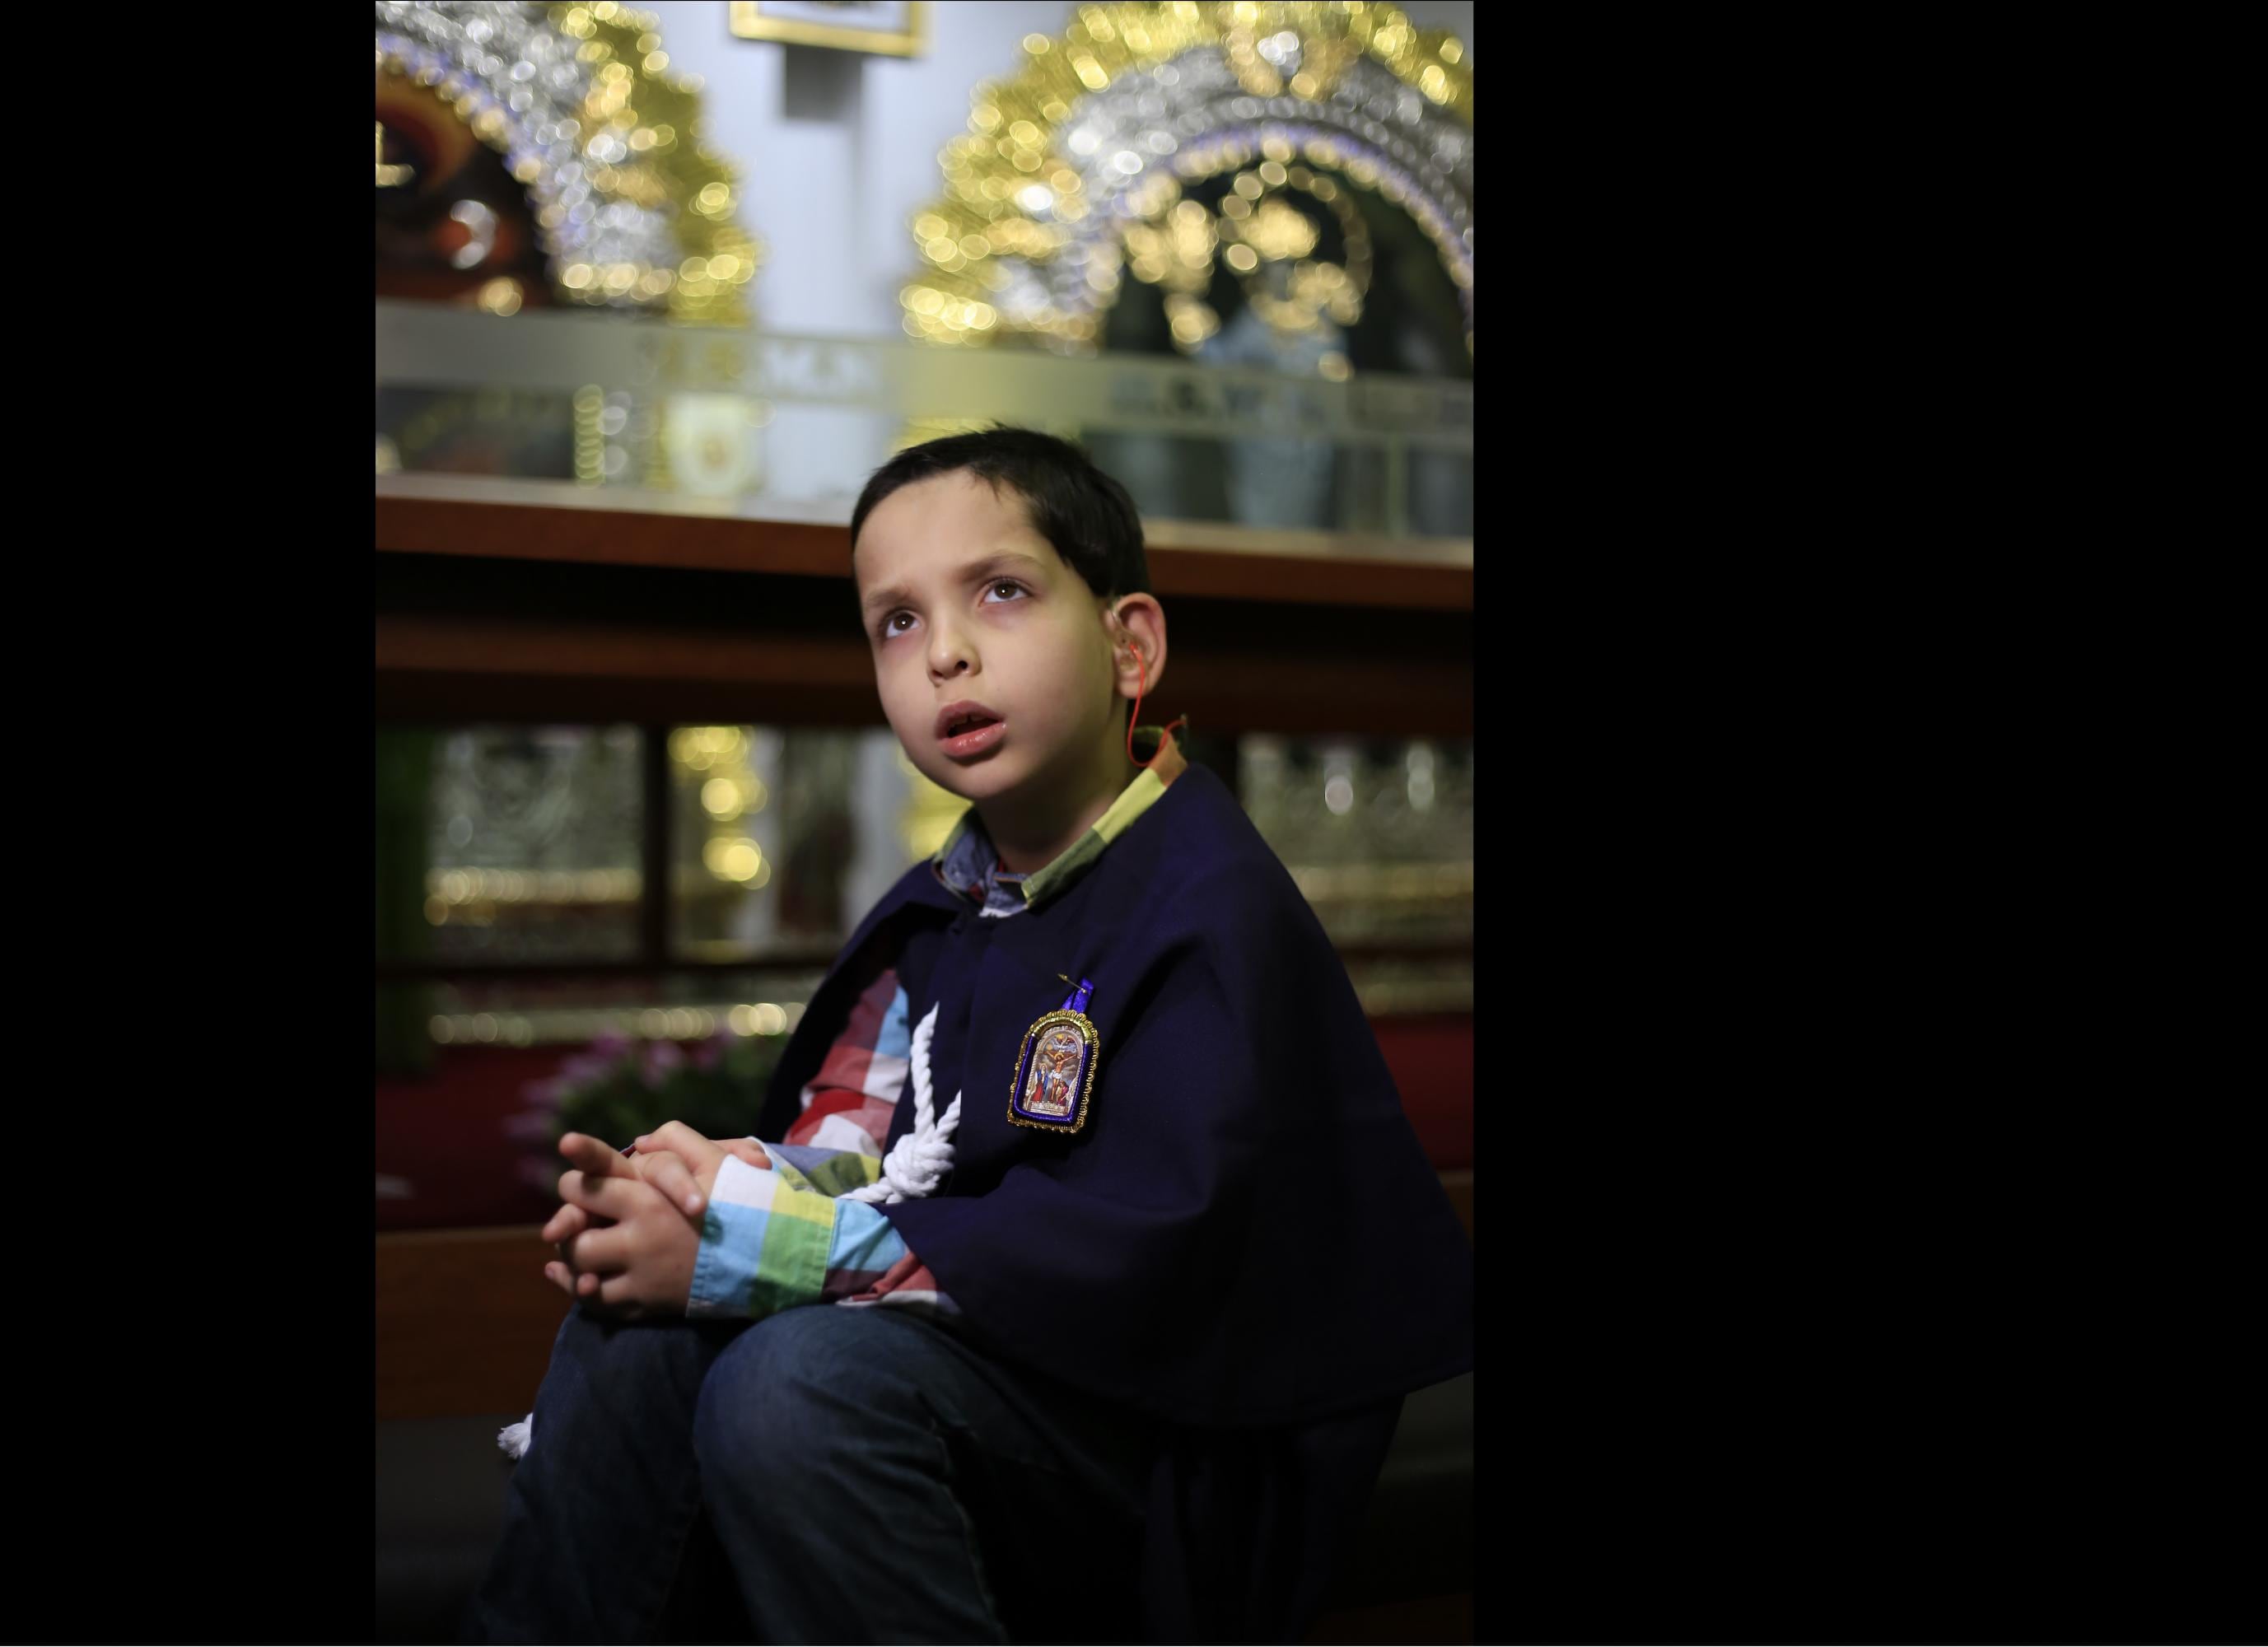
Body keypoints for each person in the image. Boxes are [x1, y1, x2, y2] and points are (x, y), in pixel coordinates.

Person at [465, 427, 1472, 1644]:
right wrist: (705, 1197)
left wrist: (758, 1248)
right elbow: (874, 1144)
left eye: (999, 592)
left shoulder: (1209, 905)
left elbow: (1152, 1246)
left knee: (796, 1389)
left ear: (1128, 643)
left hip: (1178, 1433)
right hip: (996, 1375)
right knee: (643, 1326)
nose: (943, 652)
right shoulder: (946, 903)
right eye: (895, 621)